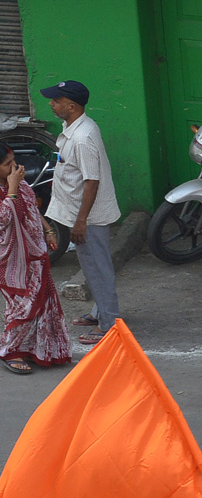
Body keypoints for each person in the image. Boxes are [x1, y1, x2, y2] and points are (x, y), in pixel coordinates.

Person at [40, 80, 121, 346]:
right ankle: (100, 312)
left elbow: (92, 180)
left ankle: (109, 324)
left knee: (98, 269)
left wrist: (81, 221)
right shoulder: (74, 127)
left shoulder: (83, 137)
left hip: (89, 216)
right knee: (91, 266)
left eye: (56, 101)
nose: (51, 104)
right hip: (81, 212)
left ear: (71, 106)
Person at [0, 144, 70, 374]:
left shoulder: (16, 181)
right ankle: (10, 351)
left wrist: (48, 229)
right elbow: (3, 219)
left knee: (42, 300)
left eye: (13, 161)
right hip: (10, 260)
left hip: (34, 252)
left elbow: (30, 206)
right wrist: (12, 187)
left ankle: (37, 349)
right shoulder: (11, 184)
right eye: (7, 164)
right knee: (22, 305)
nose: (15, 167)